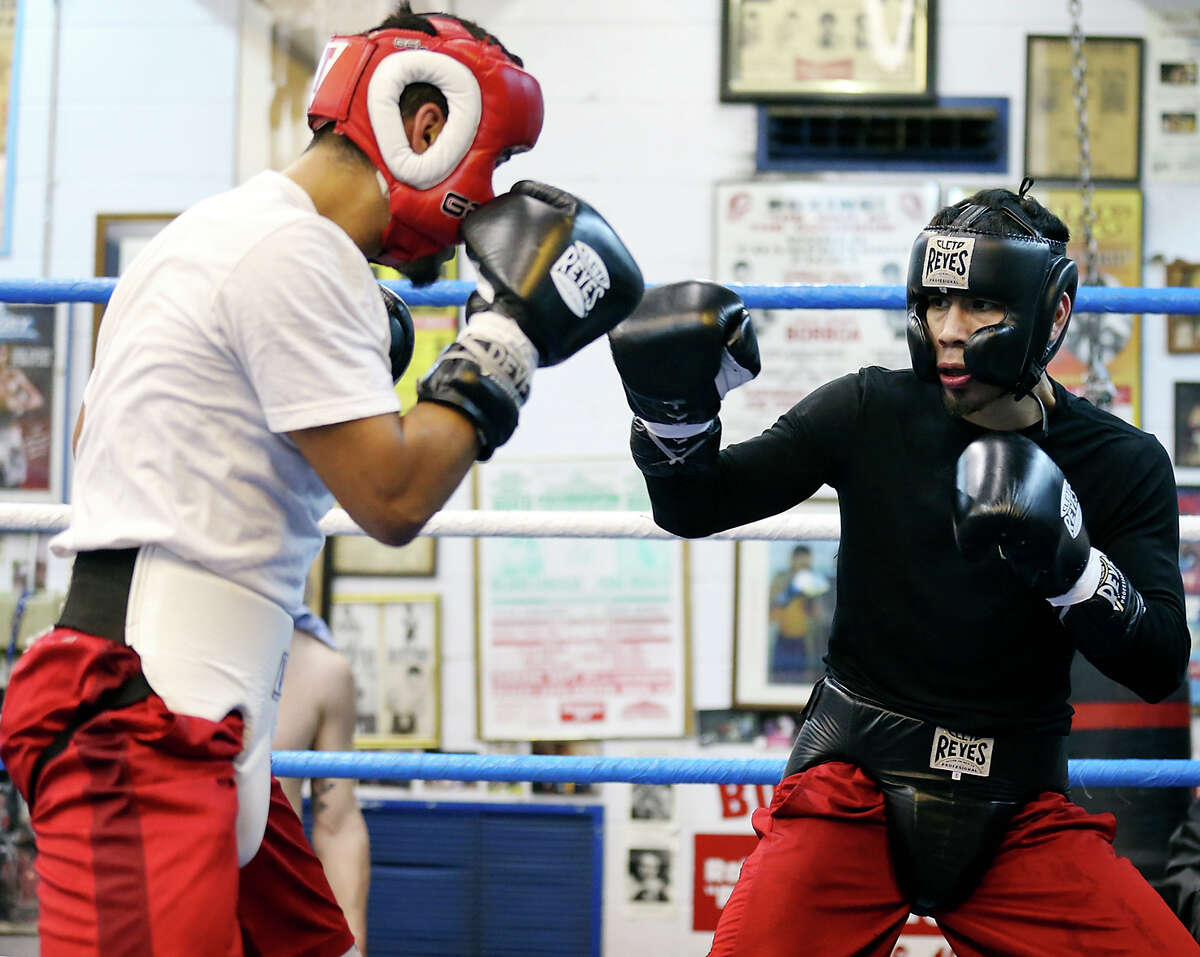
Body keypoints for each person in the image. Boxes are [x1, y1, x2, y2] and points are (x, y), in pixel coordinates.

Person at [0, 5, 643, 955]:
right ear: (429, 128)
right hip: (142, 712)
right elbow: (390, 499)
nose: (494, 202)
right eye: (493, 163)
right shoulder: (296, 254)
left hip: (207, 696)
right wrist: (507, 337)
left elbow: (108, 441)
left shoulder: (216, 232)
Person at [608, 181, 1197, 954]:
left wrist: (1074, 568)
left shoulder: (1121, 461)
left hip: (1021, 808)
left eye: (981, 306)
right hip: (851, 782)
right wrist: (671, 416)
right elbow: (696, 505)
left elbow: (1159, 662)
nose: (949, 331)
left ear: (1052, 314)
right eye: (933, 303)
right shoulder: (867, 409)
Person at [273, 609, 370, 954]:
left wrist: (351, 941)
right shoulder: (145, 645)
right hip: (171, 893)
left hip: (274, 901)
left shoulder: (321, 670)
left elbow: (339, 823)